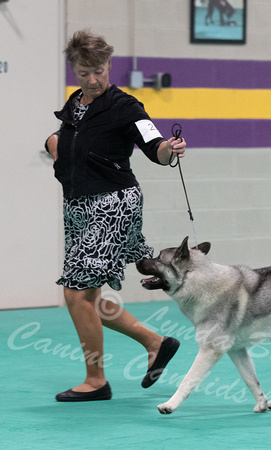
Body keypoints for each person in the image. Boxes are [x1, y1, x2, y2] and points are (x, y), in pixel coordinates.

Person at [45, 29, 186, 402]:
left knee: (75, 292)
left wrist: (168, 150)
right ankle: (155, 343)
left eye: (100, 72)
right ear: (74, 69)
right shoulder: (76, 102)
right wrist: (52, 144)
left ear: (110, 65)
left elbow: (152, 143)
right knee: (85, 296)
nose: (93, 81)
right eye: (84, 73)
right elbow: (72, 141)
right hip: (79, 204)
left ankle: (96, 380)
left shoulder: (125, 106)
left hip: (112, 203)